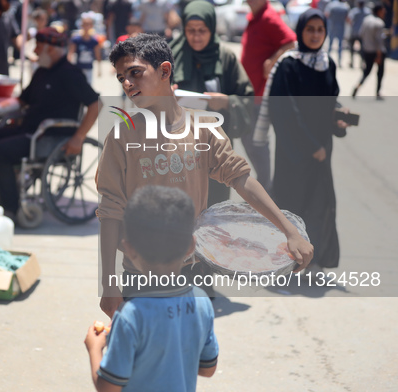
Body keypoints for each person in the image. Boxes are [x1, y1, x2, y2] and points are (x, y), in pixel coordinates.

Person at [97, 34, 314, 317]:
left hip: (191, 272)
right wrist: (108, 284)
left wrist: (290, 231)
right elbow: (110, 211)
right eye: (121, 77)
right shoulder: (122, 136)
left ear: (164, 70)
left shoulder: (204, 128)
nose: (127, 83)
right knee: (144, 355)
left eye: (135, 73)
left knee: (190, 354)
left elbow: (242, 180)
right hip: (139, 275)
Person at [84, 185, 219, 391]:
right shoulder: (201, 301)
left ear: (128, 248)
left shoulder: (130, 316)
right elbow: (208, 369)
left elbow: (108, 388)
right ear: (191, 246)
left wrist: (95, 349)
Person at [257, 9, 351, 273]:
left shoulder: (327, 64)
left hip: (322, 150)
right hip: (294, 153)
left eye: (320, 29)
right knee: (292, 206)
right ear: (300, 31)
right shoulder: (288, 65)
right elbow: (286, 112)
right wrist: (311, 148)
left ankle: (315, 260)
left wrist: (338, 118)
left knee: (320, 204)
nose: (315, 34)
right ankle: (286, 263)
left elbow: (330, 101)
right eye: (310, 29)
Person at [0, 27, 99, 220]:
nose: (34, 51)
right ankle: (3, 184)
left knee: (0, 152)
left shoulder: (71, 74)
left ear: (50, 49)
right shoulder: (42, 72)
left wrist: (79, 137)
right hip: (27, 130)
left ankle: (11, 208)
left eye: (38, 46)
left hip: (48, 137)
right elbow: (22, 100)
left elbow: (95, 104)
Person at [170, 0, 254, 207]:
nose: (196, 36)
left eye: (202, 30)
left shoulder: (225, 57)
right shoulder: (170, 56)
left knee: (214, 210)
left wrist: (226, 102)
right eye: (191, 30)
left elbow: (247, 98)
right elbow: (148, 96)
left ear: (212, 28)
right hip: (177, 149)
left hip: (215, 151)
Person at [240, 0, 296, 194]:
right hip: (250, 93)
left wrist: (273, 60)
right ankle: (265, 188)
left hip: (260, 95)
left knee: (256, 141)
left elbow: (291, 42)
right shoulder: (255, 17)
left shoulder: (269, 17)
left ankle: (266, 190)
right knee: (252, 140)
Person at [352, 4, 387, 99]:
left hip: (367, 50)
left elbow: (361, 34)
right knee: (380, 73)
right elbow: (379, 42)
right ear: (379, 11)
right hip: (377, 52)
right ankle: (378, 92)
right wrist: (379, 56)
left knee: (366, 72)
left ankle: (357, 86)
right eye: (383, 11)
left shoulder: (366, 20)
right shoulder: (379, 23)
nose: (385, 13)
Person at [68, 12, 102, 84]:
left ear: (92, 26)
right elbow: (71, 53)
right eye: (85, 24)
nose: (86, 27)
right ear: (82, 25)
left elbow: (98, 55)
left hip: (89, 68)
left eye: (88, 24)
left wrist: (99, 69)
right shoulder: (76, 40)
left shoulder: (94, 41)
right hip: (79, 68)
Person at [324, 0, 350, 66]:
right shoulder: (345, 6)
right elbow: (348, 19)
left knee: (330, 44)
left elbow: (326, 14)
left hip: (332, 27)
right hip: (341, 28)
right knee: (340, 45)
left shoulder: (331, 5)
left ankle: (327, 60)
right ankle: (339, 61)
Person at [347, 0, 371, 68]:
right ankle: (362, 63)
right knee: (362, 49)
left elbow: (349, 19)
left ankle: (352, 62)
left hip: (354, 32)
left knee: (352, 48)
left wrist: (353, 24)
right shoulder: (367, 11)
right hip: (363, 33)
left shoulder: (354, 11)